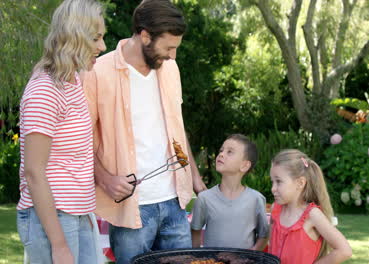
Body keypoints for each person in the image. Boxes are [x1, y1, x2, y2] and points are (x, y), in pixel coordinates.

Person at [82, 0, 207, 263]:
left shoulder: (170, 69)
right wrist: (105, 179)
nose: (173, 56)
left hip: (175, 202)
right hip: (131, 208)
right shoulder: (96, 72)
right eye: (169, 47)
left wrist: (196, 181)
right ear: (145, 35)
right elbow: (81, 140)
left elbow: (178, 131)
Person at [16, 0, 106, 263]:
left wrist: (85, 214)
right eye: (95, 38)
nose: (101, 47)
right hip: (52, 219)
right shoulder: (44, 91)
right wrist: (59, 245)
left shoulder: (73, 81)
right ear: (74, 37)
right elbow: (34, 172)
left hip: (77, 214)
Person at [269, 149, 352, 264]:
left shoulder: (312, 215)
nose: (273, 188)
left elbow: (344, 251)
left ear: (300, 183)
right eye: (272, 181)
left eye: (278, 181)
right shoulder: (276, 209)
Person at [191, 134, 269, 250]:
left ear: (244, 166)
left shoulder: (256, 199)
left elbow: (264, 235)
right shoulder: (204, 198)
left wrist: (251, 256)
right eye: (221, 150)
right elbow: (195, 233)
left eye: (230, 152)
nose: (221, 154)